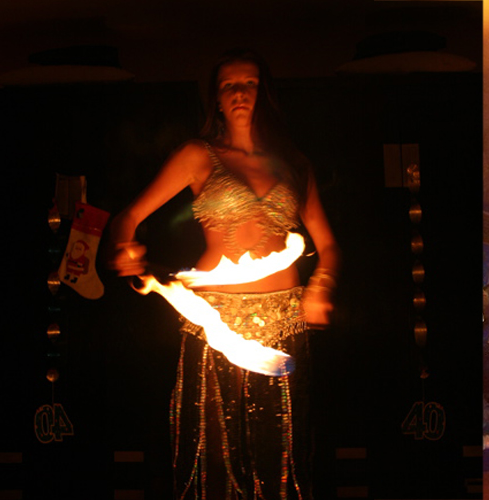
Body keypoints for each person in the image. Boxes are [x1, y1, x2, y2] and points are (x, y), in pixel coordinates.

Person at [108, 49, 338, 498]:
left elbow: (327, 245)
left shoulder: (293, 163)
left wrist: (321, 285)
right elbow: (128, 216)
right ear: (215, 98)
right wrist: (124, 245)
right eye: (229, 85)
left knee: (282, 452)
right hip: (213, 322)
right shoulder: (199, 155)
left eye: (249, 83)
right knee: (214, 450)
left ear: (263, 92)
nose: (239, 92)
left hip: (284, 321)